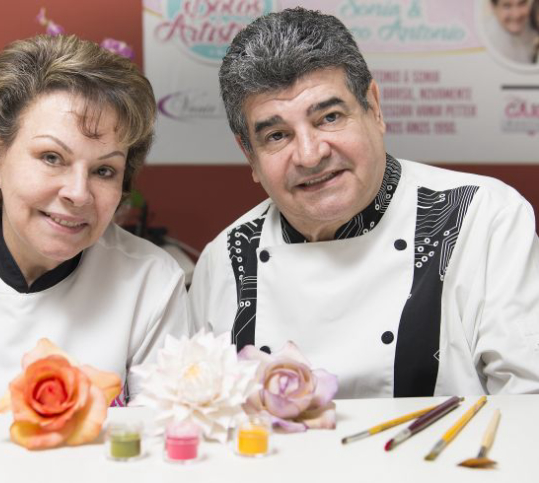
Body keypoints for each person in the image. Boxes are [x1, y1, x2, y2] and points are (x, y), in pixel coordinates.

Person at [189, 8, 539, 398]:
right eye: (276, 136)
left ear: (374, 108)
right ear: (249, 155)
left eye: (329, 117)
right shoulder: (225, 260)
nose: (309, 155)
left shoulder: (483, 218)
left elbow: (528, 406)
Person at [0, 35, 190, 413]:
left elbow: (160, 449)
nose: (78, 193)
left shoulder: (151, 283)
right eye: (51, 157)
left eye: (104, 170)